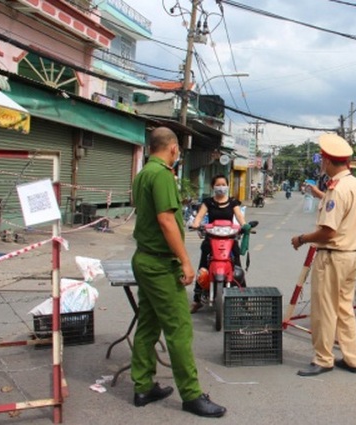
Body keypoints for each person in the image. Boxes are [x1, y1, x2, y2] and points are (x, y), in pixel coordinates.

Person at [130, 127, 226, 418]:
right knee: (179, 328)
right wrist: (185, 260)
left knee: (148, 324)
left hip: (144, 259)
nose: (179, 154)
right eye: (179, 149)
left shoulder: (144, 172)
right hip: (159, 264)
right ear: (172, 148)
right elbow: (167, 221)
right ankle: (191, 394)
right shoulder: (161, 175)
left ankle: (143, 385)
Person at [290, 133, 356, 376]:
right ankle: (353, 359)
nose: (321, 164)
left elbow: (328, 232)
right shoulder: (355, 185)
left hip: (332, 257)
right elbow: (342, 211)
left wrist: (302, 239)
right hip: (350, 256)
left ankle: (323, 359)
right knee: (344, 308)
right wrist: (321, 195)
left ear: (330, 161)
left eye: (323, 160)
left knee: (324, 310)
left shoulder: (337, 189)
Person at [190, 174, 248, 313]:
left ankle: (244, 300)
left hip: (230, 239)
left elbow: (239, 216)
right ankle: (197, 300)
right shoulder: (208, 202)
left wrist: (244, 226)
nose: (221, 187)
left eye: (223, 184)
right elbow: (199, 216)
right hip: (211, 238)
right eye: (218, 184)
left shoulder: (233, 202)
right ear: (213, 186)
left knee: (237, 267)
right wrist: (196, 224)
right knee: (203, 266)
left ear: (227, 186)